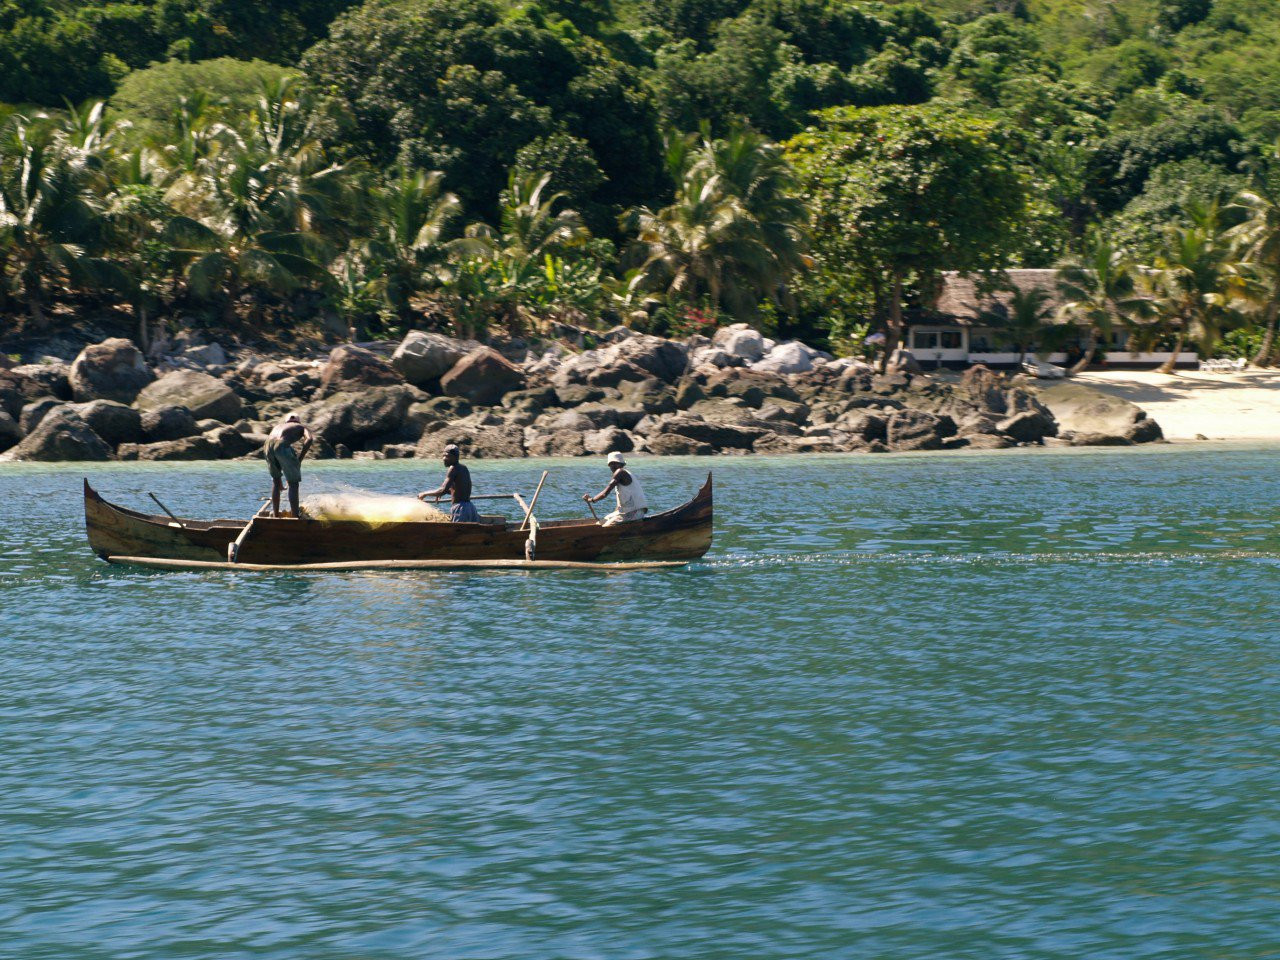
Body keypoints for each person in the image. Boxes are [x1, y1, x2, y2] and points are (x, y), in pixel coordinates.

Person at [264, 413, 313, 518]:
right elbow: (309, 439)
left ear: (286, 422)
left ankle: (276, 515)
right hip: (281, 444)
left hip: (267, 445)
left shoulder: (278, 426)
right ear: (298, 421)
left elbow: (275, 447)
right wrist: (300, 459)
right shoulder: (301, 427)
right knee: (293, 484)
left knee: (276, 481)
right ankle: (295, 517)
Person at [418, 444, 480, 522]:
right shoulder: (463, 468)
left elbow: (442, 490)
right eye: (443, 456)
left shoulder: (453, 468)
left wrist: (424, 494)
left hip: (460, 509)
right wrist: (439, 493)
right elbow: (459, 490)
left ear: (455, 457)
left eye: (447, 456)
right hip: (470, 508)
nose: (444, 459)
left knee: (457, 530)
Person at [583, 452, 647, 525]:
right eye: (611, 464)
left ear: (621, 464)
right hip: (628, 511)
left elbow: (604, 493)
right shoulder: (622, 474)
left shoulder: (620, 472)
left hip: (635, 512)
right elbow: (621, 502)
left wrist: (591, 500)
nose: (613, 466)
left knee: (606, 527)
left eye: (615, 463)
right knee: (600, 523)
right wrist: (615, 514)